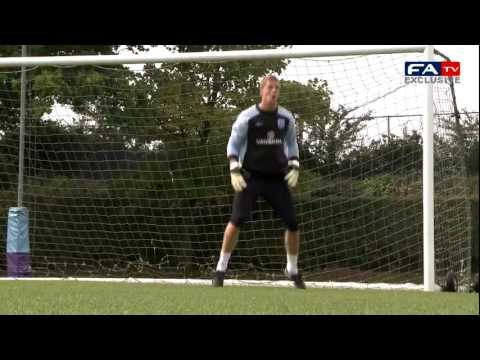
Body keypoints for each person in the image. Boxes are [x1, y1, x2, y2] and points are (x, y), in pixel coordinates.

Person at [212, 74, 306, 289]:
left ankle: (292, 270)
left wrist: (295, 166)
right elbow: (233, 144)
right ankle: (220, 269)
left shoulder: (286, 118)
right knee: (236, 221)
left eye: (277, 88)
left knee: (292, 223)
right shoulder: (248, 117)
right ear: (261, 91)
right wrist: (233, 169)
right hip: (251, 177)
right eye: (270, 87)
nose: (273, 91)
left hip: (276, 179)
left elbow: (292, 145)